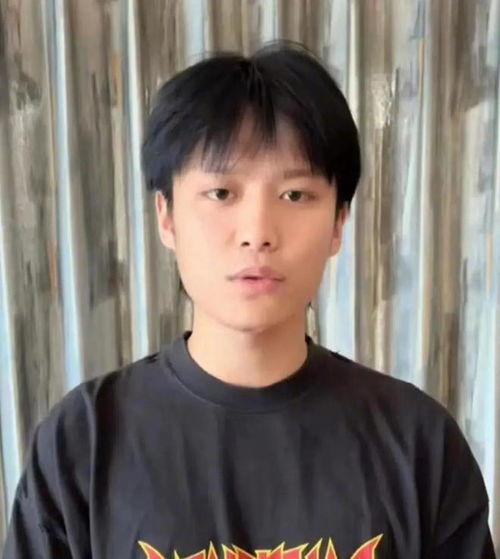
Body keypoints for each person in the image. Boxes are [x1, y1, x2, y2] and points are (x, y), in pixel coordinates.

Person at [2, 40, 496, 559]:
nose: (257, 232)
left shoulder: (418, 445)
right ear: (166, 216)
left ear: (338, 223)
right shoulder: (83, 443)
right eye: (221, 193)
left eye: (295, 195)